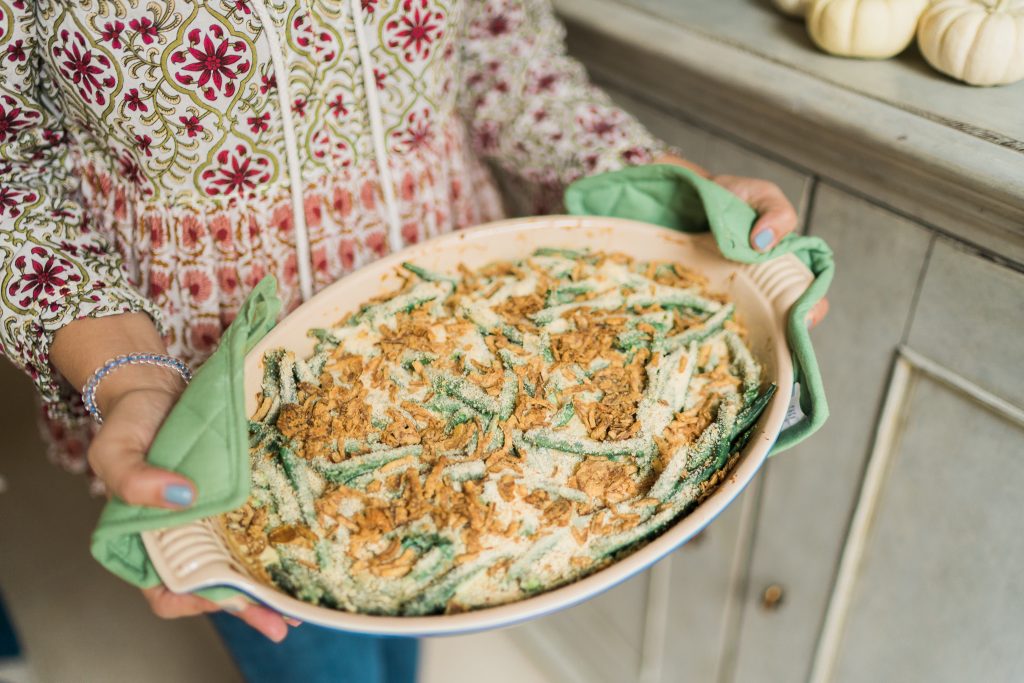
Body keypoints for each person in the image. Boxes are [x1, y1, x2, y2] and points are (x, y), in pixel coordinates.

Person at [0, 1, 825, 680]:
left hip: (486, 330)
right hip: (212, 398)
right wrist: (131, 379)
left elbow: (498, 55)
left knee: (414, 614)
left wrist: (672, 187)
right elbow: (13, 177)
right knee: (317, 655)